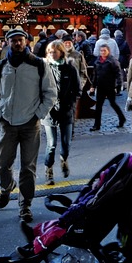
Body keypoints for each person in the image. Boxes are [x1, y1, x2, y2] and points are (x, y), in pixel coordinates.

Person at [0, 27, 57, 224]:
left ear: (26, 42)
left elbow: (50, 93)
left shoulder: (39, 65)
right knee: (2, 165)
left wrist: (38, 115)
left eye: (21, 40)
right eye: (14, 40)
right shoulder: (0, 67)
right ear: (8, 42)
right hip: (7, 123)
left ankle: (25, 205)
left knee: (28, 167)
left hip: (30, 124)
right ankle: (6, 187)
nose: (18, 43)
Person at [43, 40, 81, 183]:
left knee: (66, 143)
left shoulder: (70, 69)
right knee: (51, 143)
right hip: (49, 111)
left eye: (54, 51)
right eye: (50, 52)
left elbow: (77, 90)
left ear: (61, 52)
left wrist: (70, 104)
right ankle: (49, 169)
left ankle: (63, 159)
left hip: (65, 110)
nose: (52, 54)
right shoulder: (45, 68)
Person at [88, 41, 127, 132]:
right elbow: (95, 74)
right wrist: (93, 86)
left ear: (108, 51)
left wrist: (118, 85)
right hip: (100, 86)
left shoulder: (112, 61)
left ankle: (122, 118)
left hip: (110, 86)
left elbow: (118, 74)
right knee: (98, 106)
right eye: (101, 51)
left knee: (113, 103)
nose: (102, 52)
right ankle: (96, 125)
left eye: (104, 51)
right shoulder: (97, 61)